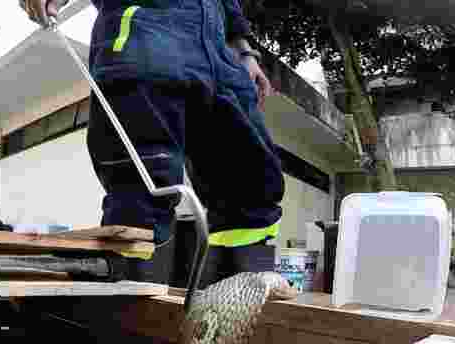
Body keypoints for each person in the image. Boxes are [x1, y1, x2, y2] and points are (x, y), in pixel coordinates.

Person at [20, 0, 285, 287]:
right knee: (143, 186)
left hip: (218, 54)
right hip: (145, 31)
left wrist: (244, 52)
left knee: (250, 184)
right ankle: (134, 315)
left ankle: (237, 301)